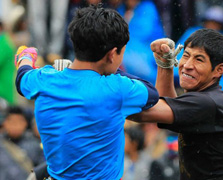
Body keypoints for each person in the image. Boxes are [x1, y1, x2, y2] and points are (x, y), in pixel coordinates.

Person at [15, 4, 159, 180]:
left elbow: (22, 77)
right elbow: (152, 93)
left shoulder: (43, 80)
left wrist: (27, 56)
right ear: (112, 54)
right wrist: (114, 70)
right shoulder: (116, 88)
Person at [128, 28, 223, 180]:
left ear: (219, 70)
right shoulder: (205, 97)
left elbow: (147, 113)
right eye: (186, 55)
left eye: (199, 59)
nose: (187, 65)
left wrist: (105, 87)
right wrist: (165, 63)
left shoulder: (207, 102)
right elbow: (165, 107)